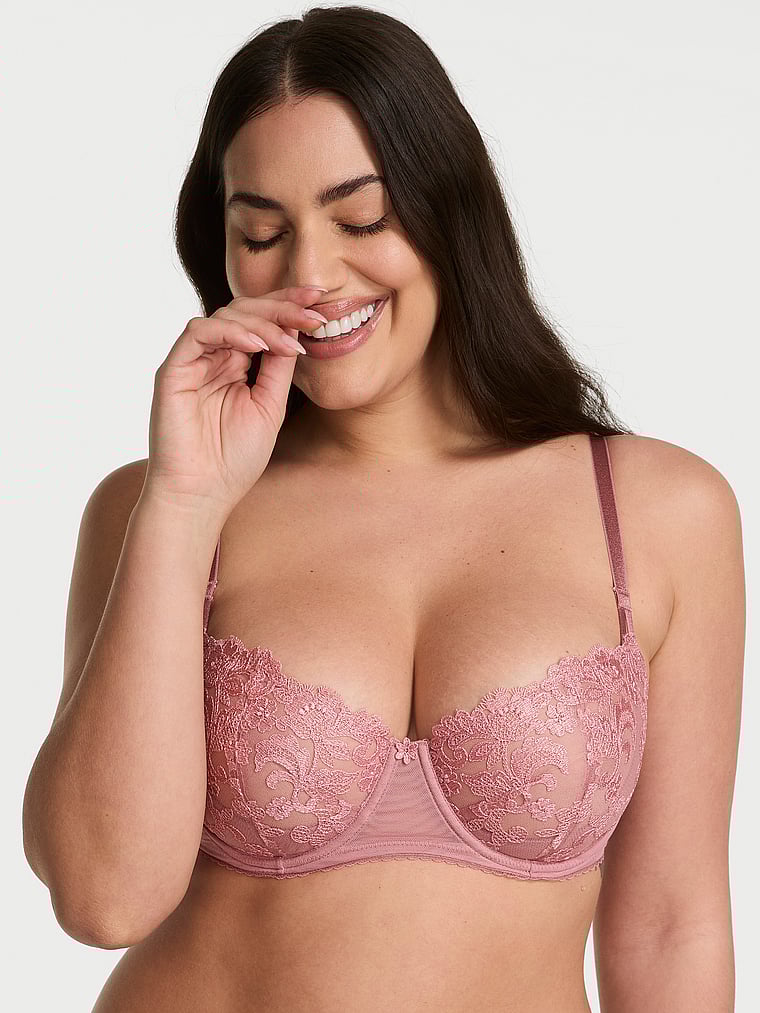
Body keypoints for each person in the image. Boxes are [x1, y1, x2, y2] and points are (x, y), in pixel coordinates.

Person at [22, 7, 743, 1011]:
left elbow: (671, 927)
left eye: (359, 219)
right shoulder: (158, 509)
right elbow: (105, 899)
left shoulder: (660, 513)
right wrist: (183, 505)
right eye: (262, 233)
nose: (311, 276)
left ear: (449, 211)